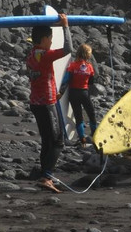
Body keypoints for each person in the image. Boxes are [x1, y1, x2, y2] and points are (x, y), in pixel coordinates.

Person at [26, 14, 71, 192]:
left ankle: (46, 174)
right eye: (51, 38)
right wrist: (65, 26)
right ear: (44, 39)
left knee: (47, 140)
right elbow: (68, 49)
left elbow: (40, 76)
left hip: (37, 102)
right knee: (58, 141)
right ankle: (46, 176)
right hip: (46, 103)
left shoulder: (31, 54)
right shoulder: (44, 55)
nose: (52, 42)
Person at [62, 42, 98, 148]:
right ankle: (95, 136)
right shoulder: (90, 67)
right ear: (88, 55)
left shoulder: (72, 66)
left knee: (78, 117)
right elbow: (91, 82)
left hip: (73, 93)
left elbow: (65, 80)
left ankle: (82, 140)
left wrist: (60, 93)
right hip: (84, 93)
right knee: (91, 114)